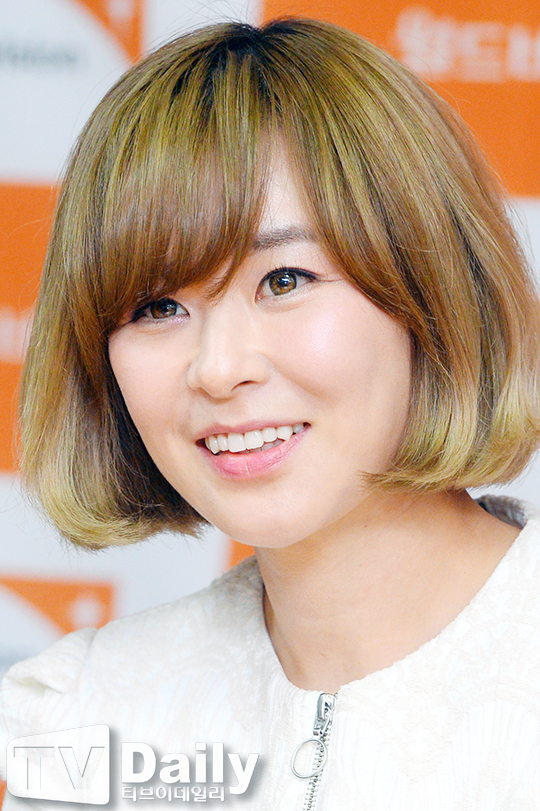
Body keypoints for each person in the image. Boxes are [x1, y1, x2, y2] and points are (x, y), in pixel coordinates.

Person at [2, 17, 540, 809]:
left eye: (284, 280)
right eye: (157, 306)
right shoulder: (92, 713)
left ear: (429, 291)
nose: (219, 369)